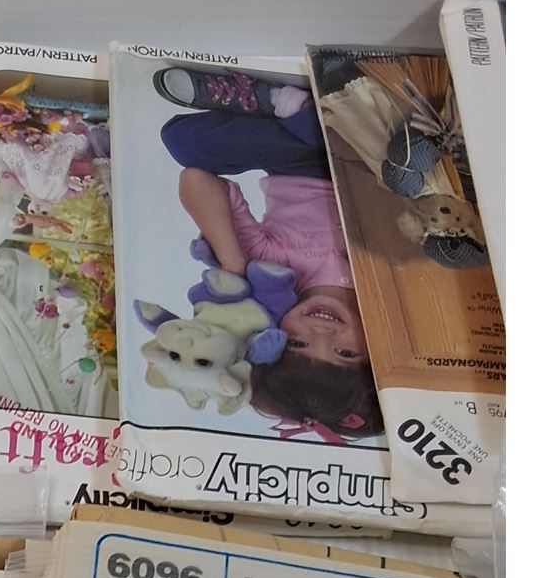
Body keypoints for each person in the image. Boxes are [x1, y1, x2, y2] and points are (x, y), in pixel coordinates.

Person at [154, 68, 382, 438]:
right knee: (363, 149)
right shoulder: (384, 294)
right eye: (344, 353)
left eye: (298, 343)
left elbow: (196, 180)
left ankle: (285, 109)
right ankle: (293, 111)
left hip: (298, 161)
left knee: (181, 141)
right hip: (368, 165)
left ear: (272, 336)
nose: (322, 333)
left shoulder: (273, 269)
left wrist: (233, 263)